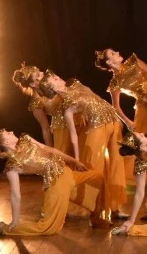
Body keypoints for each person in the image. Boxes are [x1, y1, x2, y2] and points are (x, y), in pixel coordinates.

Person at [0, 129, 109, 236]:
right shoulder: (12, 167)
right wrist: (15, 220)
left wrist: (74, 161)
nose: (12, 131)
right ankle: (5, 228)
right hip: (56, 183)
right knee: (48, 228)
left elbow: (51, 150)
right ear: (6, 142)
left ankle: (95, 218)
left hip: (67, 172)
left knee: (98, 177)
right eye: (8, 133)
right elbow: (15, 195)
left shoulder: (26, 140)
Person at [37, 71, 127, 209]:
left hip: (113, 122)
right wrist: (77, 160)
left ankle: (115, 207)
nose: (57, 77)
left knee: (116, 163)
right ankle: (94, 208)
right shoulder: (67, 107)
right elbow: (73, 135)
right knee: (92, 166)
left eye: (55, 76)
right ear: (52, 89)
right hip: (96, 127)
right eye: (54, 79)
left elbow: (96, 97)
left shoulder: (75, 84)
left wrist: (118, 118)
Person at [94, 49, 147, 135]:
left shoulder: (134, 62)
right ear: (109, 62)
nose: (117, 52)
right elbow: (116, 107)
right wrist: (128, 122)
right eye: (113, 53)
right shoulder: (115, 83)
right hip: (145, 104)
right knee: (140, 135)